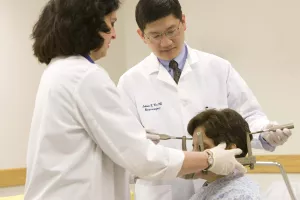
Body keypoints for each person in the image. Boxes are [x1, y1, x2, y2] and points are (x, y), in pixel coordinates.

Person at [24, 0, 246, 200]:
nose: (114, 34)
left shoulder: (58, 71)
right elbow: (141, 157)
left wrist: (134, 137)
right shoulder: (85, 77)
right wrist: (208, 158)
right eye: (111, 23)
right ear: (88, 26)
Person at [117, 0, 292, 199]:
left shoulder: (218, 68)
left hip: (219, 185)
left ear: (183, 22)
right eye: (155, 36)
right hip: (162, 191)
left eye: (171, 31)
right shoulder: (130, 83)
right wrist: (139, 141)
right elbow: (125, 147)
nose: (165, 42)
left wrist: (265, 133)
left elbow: (248, 116)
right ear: (141, 35)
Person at [187, 108, 261, 200]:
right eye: (193, 147)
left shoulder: (240, 196)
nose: (193, 154)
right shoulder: (212, 186)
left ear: (231, 150)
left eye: (202, 147)